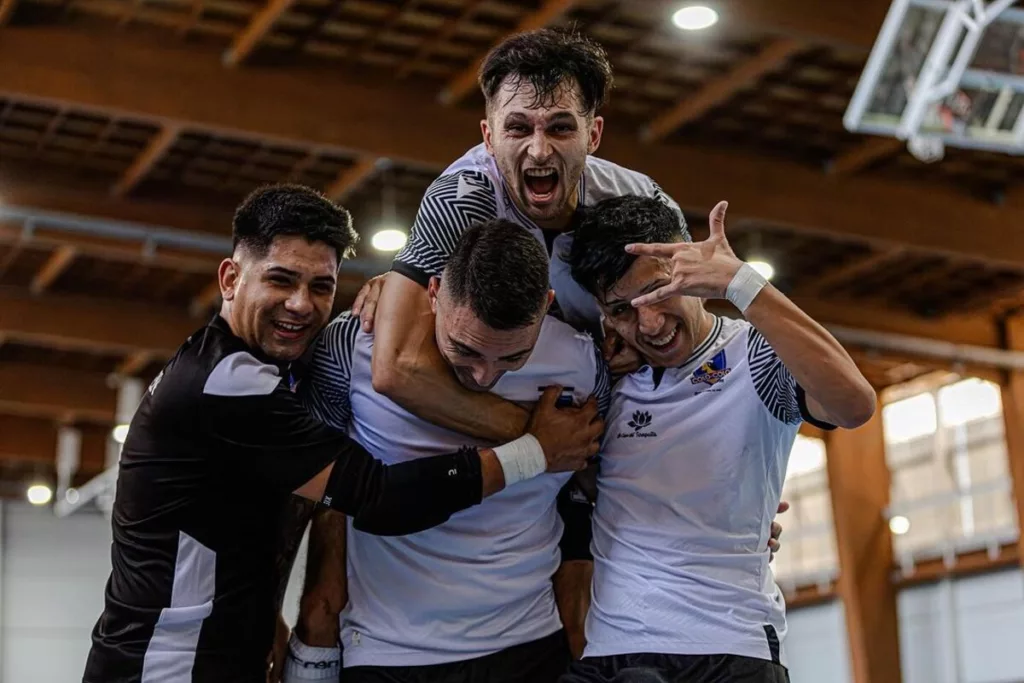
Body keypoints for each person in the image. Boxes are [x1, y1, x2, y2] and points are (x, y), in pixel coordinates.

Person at [81, 185, 603, 683]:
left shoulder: (258, 368)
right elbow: (380, 497)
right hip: (167, 661)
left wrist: (395, 288)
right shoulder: (226, 382)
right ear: (230, 279)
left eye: (322, 286)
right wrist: (535, 451)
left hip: (218, 651)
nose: (302, 305)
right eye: (281, 280)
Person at [559, 195, 877, 683]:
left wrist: (742, 283)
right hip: (613, 652)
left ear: (688, 269)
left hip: (726, 649)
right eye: (623, 309)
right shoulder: (608, 375)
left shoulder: (755, 355)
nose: (650, 323)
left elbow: (855, 405)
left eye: (657, 292)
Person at [281, 219, 607, 683]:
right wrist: (304, 619)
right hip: (387, 649)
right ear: (432, 292)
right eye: (465, 350)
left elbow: (601, 489)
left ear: (546, 307)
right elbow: (309, 494)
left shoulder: (583, 364)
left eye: (513, 358)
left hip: (529, 642)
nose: (484, 377)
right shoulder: (354, 344)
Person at [360, 26, 683, 445]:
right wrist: (540, 443)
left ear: (594, 135)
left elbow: (693, 333)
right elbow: (396, 368)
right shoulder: (463, 199)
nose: (539, 150)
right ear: (489, 137)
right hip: (521, 411)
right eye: (518, 128)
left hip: (616, 408)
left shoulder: (645, 202)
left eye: (560, 128)